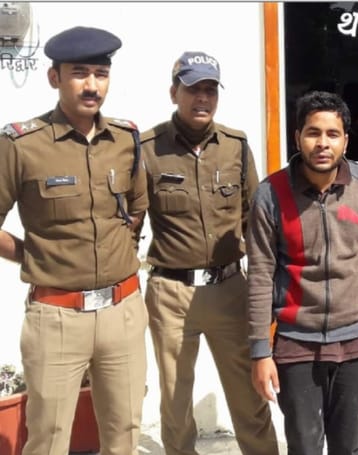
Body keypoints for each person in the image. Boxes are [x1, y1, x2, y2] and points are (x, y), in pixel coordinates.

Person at [0, 26, 148, 455]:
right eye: (79, 73)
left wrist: (121, 253)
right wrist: (34, 255)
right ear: (55, 78)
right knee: (48, 439)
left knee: (125, 433)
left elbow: (137, 209)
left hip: (122, 311)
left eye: (101, 74)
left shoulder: (125, 139)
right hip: (57, 316)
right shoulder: (21, 145)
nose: (92, 85)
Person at [246, 90, 358, 455]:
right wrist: (259, 351)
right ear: (297, 136)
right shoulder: (271, 195)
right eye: (313, 132)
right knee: (304, 446)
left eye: (333, 134)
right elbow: (259, 277)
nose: (322, 143)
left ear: (346, 139)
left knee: (349, 446)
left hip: (357, 342)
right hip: (296, 344)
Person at [140, 51, 278, 455]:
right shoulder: (147, 148)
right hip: (171, 293)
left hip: (229, 287)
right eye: (193, 89)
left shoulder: (236, 146)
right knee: (175, 398)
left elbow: (255, 220)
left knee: (249, 394)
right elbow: (130, 221)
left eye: (210, 90)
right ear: (174, 93)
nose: (202, 98)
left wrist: (267, 287)